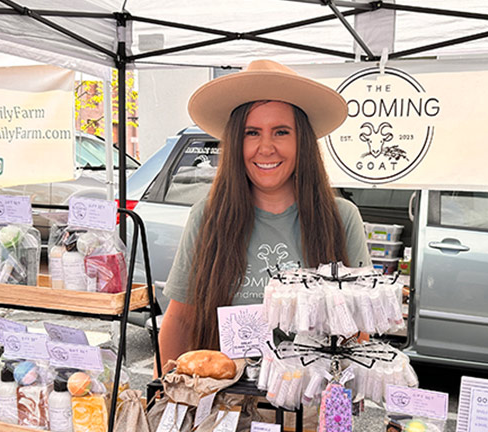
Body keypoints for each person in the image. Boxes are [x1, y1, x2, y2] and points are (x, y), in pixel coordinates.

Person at [158, 60, 372, 365]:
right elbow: (180, 320)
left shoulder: (342, 218)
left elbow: (359, 327)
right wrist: (167, 386)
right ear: (236, 142)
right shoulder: (206, 217)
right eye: (252, 133)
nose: (266, 147)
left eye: (281, 132)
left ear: (302, 142)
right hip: (226, 392)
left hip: (312, 394)